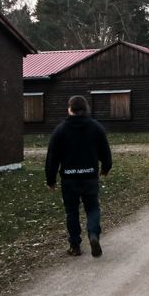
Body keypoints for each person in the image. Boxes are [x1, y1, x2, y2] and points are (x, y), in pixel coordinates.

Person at [45, 95, 113, 257]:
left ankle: (75, 246)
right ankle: (93, 235)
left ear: (69, 109)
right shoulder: (96, 127)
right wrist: (105, 168)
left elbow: (52, 158)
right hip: (90, 176)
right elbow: (105, 152)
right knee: (92, 208)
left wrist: (51, 179)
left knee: (72, 212)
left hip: (69, 179)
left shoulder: (60, 130)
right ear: (86, 109)